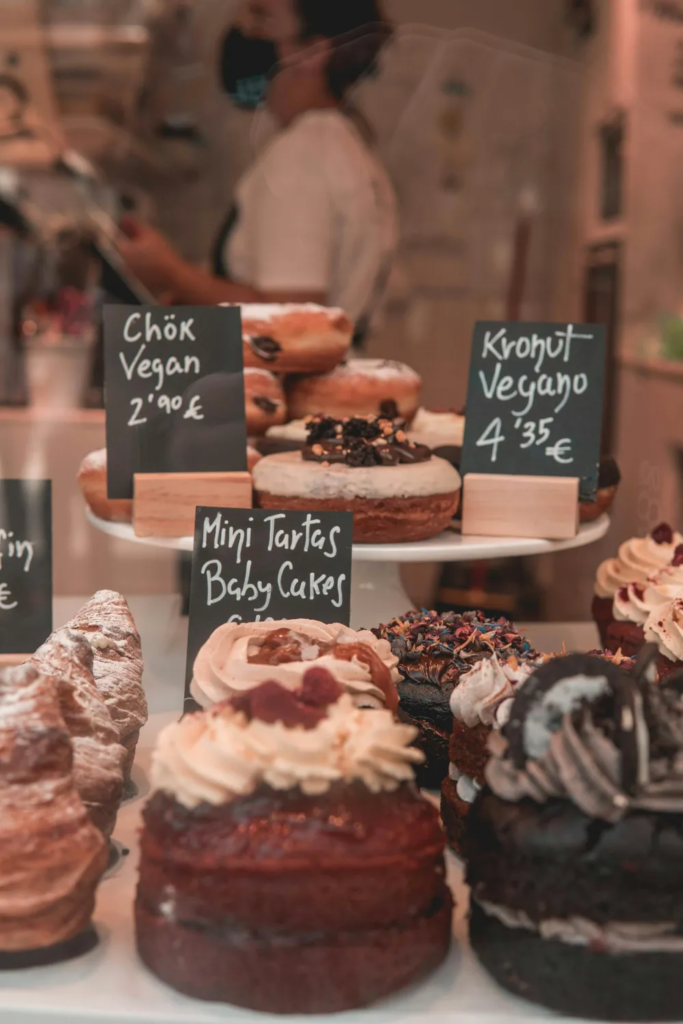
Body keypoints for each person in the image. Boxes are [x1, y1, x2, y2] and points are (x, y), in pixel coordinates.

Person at [118, 0, 398, 338]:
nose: (242, 28)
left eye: (261, 17)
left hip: (298, 375)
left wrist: (173, 274)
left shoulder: (302, 155)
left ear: (312, 51)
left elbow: (294, 322)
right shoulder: (343, 144)